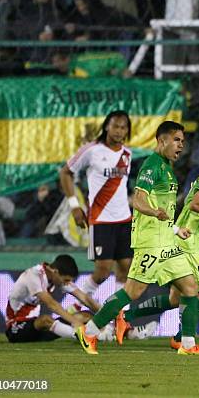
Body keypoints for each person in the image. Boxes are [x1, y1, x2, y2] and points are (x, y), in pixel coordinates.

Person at [75, 121, 199, 356]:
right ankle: (89, 331)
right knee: (132, 292)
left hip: (167, 243)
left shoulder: (166, 168)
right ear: (162, 141)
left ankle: (188, 345)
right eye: (177, 140)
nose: (181, 145)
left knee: (190, 288)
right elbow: (139, 199)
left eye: (183, 140)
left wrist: (174, 229)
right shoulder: (152, 167)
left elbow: (164, 208)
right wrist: (153, 212)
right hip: (150, 243)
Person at [114, 146, 199, 349]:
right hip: (187, 245)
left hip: (185, 242)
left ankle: (127, 315)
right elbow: (196, 205)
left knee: (175, 299)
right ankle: (183, 339)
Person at [60, 111, 134, 307]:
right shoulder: (91, 150)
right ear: (106, 127)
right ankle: (76, 305)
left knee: (126, 268)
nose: (119, 131)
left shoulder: (127, 154)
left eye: (123, 127)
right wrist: (75, 207)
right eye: (115, 126)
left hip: (124, 219)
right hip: (101, 219)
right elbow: (65, 172)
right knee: (102, 270)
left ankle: (121, 316)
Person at [5, 254, 101, 343]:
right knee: (45, 320)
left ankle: (101, 335)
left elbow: (84, 298)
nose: (67, 283)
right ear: (55, 272)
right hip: (16, 329)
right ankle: (83, 337)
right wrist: (76, 322)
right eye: (66, 280)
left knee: (85, 315)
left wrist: (108, 317)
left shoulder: (56, 277)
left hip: (38, 329)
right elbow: (52, 304)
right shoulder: (34, 275)